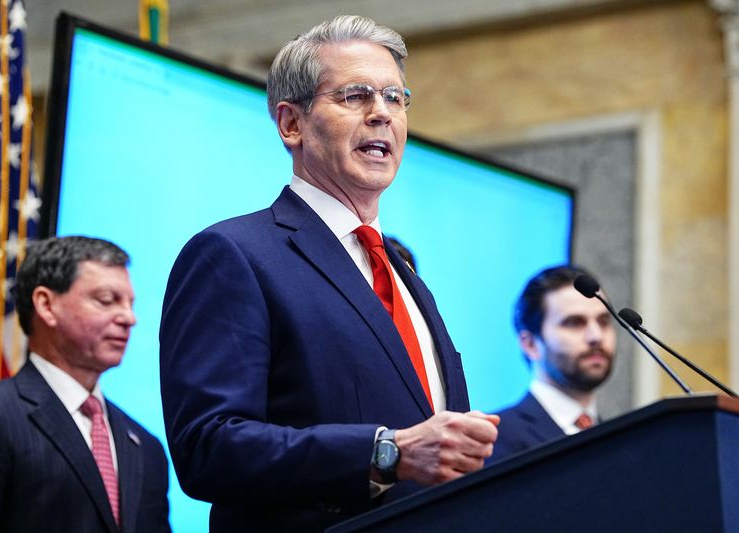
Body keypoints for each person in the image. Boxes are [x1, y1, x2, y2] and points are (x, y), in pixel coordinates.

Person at [159, 15, 499, 532]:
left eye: (395, 97)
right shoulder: (232, 254)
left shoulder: (403, 273)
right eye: (355, 96)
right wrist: (385, 453)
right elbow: (208, 446)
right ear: (291, 124)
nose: (382, 114)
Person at [0, 236, 171, 533]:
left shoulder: (146, 446)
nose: (129, 318)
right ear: (46, 305)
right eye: (107, 300)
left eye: (130, 304)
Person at [489, 265, 616, 462]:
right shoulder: (494, 439)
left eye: (603, 321)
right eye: (574, 323)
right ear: (530, 344)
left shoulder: (620, 440)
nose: (596, 336)